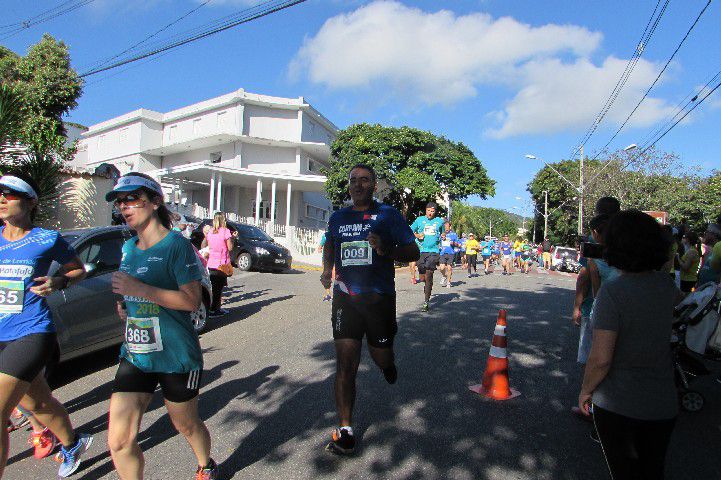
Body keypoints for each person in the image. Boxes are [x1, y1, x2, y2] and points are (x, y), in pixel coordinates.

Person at [105, 173, 219, 479]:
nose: (124, 207)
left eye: (131, 199)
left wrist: (140, 290)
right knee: (118, 440)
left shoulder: (177, 246)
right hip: (137, 353)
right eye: (120, 202)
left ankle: (206, 463)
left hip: (176, 355)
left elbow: (191, 301)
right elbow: (135, 292)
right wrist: (127, 306)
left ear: (155, 202)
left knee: (185, 424)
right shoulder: (128, 248)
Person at [320, 164, 419, 455]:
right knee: (345, 365)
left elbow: (412, 251)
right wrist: (328, 270)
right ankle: (346, 429)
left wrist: (386, 248)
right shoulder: (338, 217)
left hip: (379, 300)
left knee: (381, 356)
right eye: (353, 180)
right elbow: (330, 245)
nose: (358, 185)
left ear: (374, 186)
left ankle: (388, 365)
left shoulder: (388, 214)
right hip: (346, 299)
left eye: (365, 180)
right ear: (348, 186)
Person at [0, 172, 92, 478]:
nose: (1, 198)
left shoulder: (46, 238)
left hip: (31, 330)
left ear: (30, 202)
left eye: (9, 194)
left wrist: (59, 280)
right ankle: (73, 442)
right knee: (38, 404)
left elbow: (79, 269)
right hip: (1, 331)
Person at [579, 210, 680, 480]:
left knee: (624, 473)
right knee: (652, 470)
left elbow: (601, 358)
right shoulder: (666, 286)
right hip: (664, 402)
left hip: (620, 405)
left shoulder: (614, 291)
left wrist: (585, 391)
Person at [410, 202, 445, 312]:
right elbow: (410, 230)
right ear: (426, 210)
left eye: (432, 211)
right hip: (420, 251)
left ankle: (426, 301)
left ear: (435, 212)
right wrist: (417, 235)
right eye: (429, 210)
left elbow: (442, 232)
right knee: (422, 278)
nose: (430, 213)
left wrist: (443, 236)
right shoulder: (419, 220)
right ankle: (426, 284)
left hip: (434, 251)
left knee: (429, 274)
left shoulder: (439, 221)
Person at [202, 212, 234, 318]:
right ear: (223, 220)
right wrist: (233, 238)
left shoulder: (210, 232)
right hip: (222, 262)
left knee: (214, 287)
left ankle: (215, 308)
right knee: (219, 289)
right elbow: (230, 248)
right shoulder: (226, 232)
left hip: (212, 262)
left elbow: (207, 245)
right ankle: (215, 310)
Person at [317, 232, 332, 301]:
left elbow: (319, 248)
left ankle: (328, 293)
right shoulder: (338, 234)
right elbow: (320, 247)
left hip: (327, 259)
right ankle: (328, 293)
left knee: (326, 274)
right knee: (328, 274)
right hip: (333, 259)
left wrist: (320, 249)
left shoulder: (326, 235)